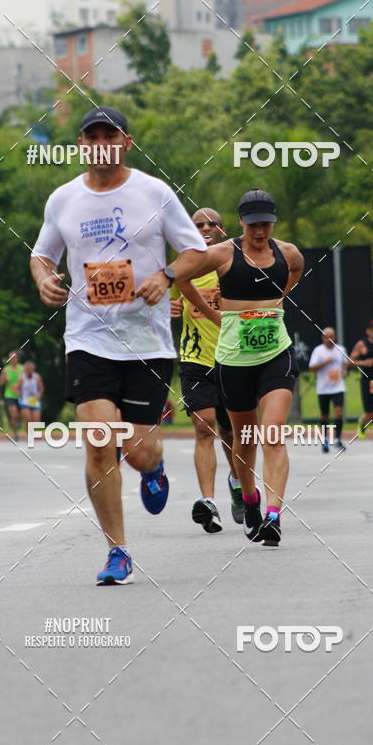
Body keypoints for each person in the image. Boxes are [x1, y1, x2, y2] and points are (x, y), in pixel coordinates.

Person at [30, 105, 206, 584]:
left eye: (110, 135)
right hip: (87, 340)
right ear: (82, 145)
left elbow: (196, 251)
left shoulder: (153, 192)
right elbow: (42, 255)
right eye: (92, 136)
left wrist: (166, 276)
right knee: (98, 444)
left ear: (126, 142)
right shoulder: (63, 199)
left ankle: (154, 467)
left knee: (137, 452)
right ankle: (118, 550)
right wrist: (45, 279)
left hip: (147, 342)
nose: (101, 143)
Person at [177, 188, 304, 547]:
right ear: (241, 224)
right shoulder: (221, 253)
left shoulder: (287, 252)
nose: (259, 232)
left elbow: (295, 269)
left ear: (273, 222)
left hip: (275, 354)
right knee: (243, 440)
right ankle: (249, 501)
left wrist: (278, 298)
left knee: (272, 433)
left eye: (265, 225)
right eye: (252, 226)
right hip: (233, 360)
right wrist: (215, 313)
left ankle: (274, 516)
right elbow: (183, 277)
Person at [170, 207, 241, 534]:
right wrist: (165, 309)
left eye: (212, 223)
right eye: (197, 224)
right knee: (204, 426)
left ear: (223, 230)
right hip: (195, 357)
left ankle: (238, 482)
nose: (205, 227)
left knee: (231, 433)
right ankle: (208, 502)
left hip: (232, 358)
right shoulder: (182, 267)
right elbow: (166, 302)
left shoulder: (230, 264)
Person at [308, 328, 349, 452]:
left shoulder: (341, 349)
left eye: (331, 336)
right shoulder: (318, 351)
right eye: (326, 337)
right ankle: (325, 440)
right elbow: (311, 368)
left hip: (338, 387)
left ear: (335, 337)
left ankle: (337, 440)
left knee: (339, 412)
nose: (329, 339)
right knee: (325, 416)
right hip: (323, 389)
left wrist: (344, 371)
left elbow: (345, 364)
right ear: (322, 338)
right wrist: (325, 362)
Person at [350, 322, 373, 454]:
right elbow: (349, 361)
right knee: (370, 414)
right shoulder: (362, 345)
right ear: (368, 331)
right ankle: (362, 423)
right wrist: (363, 362)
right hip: (367, 379)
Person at [0, 350, 24, 441]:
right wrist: (4, 378)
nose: (12, 359)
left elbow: (26, 381)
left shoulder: (22, 368)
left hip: (21, 395)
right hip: (9, 395)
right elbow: (0, 383)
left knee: (20, 415)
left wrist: (19, 385)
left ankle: (19, 422)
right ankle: (16, 434)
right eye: (11, 358)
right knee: (14, 415)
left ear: (17, 358)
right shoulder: (6, 370)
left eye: (14, 357)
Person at [16, 361, 44, 430]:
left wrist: (39, 394)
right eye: (27, 369)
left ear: (33, 369)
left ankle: (33, 434)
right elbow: (16, 388)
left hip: (34, 400)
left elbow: (41, 388)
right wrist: (19, 393)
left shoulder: (37, 377)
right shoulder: (21, 377)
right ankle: (28, 435)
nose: (29, 371)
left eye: (31, 369)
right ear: (25, 369)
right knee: (28, 419)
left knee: (36, 421)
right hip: (25, 400)